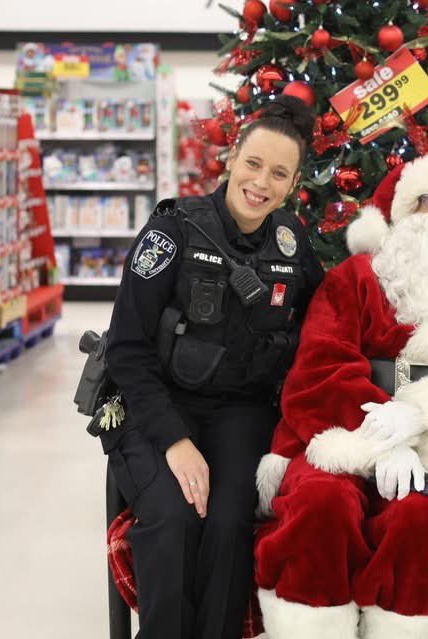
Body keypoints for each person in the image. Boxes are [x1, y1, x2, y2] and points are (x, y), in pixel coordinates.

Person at [251, 148, 428, 639]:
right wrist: (383, 434)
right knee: (321, 504)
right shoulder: (358, 278)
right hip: (340, 439)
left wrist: (424, 420)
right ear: (408, 213)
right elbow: (320, 367)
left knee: (423, 519)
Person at [102, 95, 325, 639]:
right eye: (253, 164)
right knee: (174, 519)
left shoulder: (293, 247)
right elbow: (126, 349)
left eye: (278, 173)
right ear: (230, 159)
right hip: (155, 405)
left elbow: (324, 328)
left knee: (229, 524)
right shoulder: (173, 230)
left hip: (240, 410)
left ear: (293, 185)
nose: (261, 183)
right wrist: (175, 441)